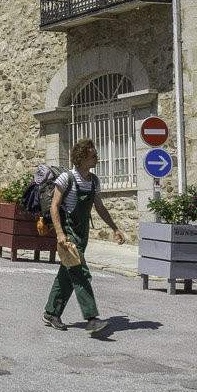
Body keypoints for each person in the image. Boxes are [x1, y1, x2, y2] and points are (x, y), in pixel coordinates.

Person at [44, 137, 125, 334]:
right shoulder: (66, 178)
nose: (97, 157)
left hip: (83, 234)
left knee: (67, 274)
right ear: (82, 158)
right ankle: (92, 318)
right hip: (69, 234)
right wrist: (60, 234)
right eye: (93, 155)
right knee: (80, 273)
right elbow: (54, 206)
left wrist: (115, 228)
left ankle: (51, 312)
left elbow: (100, 207)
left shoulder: (94, 180)